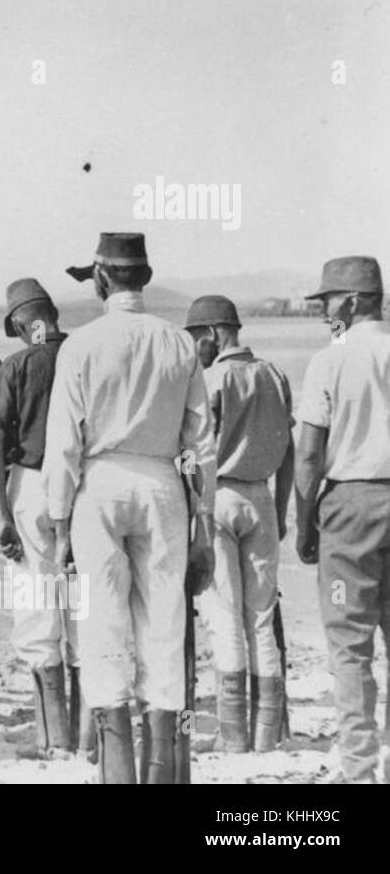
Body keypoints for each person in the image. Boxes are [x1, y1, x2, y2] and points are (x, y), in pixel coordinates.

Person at [43, 232, 216, 784]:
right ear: (142, 277)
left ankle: (117, 772)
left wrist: (59, 522)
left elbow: (63, 445)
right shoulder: (179, 343)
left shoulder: (82, 345)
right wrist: (202, 520)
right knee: (164, 625)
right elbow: (200, 443)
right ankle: (161, 772)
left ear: (100, 279)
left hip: (100, 481)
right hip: (163, 481)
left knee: (102, 625)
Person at [0, 279, 86, 755]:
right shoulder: (85, 355)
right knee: (84, 605)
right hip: (85, 487)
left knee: (37, 604)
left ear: (21, 325)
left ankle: (52, 739)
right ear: (54, 313)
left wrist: (1, 515)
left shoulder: (18, 364)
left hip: (32, 485)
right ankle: (90, 737)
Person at [293, 255, 390, 784]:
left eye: (328, 300)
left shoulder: (330, 359)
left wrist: (306, 525)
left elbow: (308, 456)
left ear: (351, 302)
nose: (323, 310)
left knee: (350, 646)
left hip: (351, 507)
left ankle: (359, 769)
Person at [183, 295, 294, 753]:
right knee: (261, 619)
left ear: (211, 333)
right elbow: (289, 451)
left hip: (220, 497)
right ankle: (267, 738)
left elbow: (196, 456)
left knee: (224, 618)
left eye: (196, 339)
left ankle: (232, 739)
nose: (195, 349)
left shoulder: (211, 380)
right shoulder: (275, 374)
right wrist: (281, 512)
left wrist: (193, 517)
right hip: (263, 498)